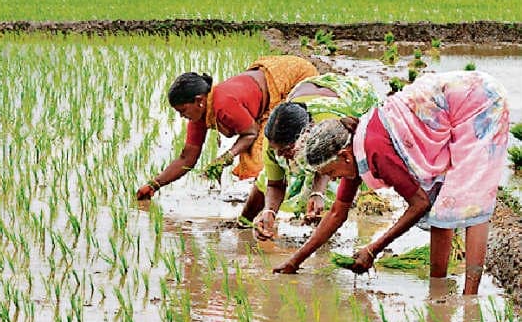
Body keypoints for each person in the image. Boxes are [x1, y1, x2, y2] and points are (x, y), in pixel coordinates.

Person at [272, 70, 509, 295]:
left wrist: (373, 249)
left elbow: (420, 204)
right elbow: (337, 213)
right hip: (449, 103)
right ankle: (437, 286)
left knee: (472, 203)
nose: (333, 178)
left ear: (344, 156)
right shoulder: (355, 148)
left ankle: (469, 299)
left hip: (479, 102)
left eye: (332, 172)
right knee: (442, 209)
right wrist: (295, 261)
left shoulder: (375, 151)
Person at [136, 55, 318, 200]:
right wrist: (154, 184)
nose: (181, 116)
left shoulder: (223, 104)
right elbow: (187, 158)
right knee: (259, 160)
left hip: (293, 78)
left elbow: (251, 132)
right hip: (265, 93)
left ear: (199, 101)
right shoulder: (199, 116)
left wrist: (227, 157)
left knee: (267, 154)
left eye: (182, 110)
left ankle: (299, 196)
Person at [241, 73, 379, 235]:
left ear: (305, 135)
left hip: (354, 95)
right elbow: (274, 184)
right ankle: (243, 223)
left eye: (286, 150)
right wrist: (269, 212)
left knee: (347, 175)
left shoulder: (329, 128)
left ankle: (343, 237)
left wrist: (317, 193)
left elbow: (329, 165)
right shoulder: (274, 138)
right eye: (276, 150)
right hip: (307, 94)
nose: (280, 155)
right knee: (266, 177)